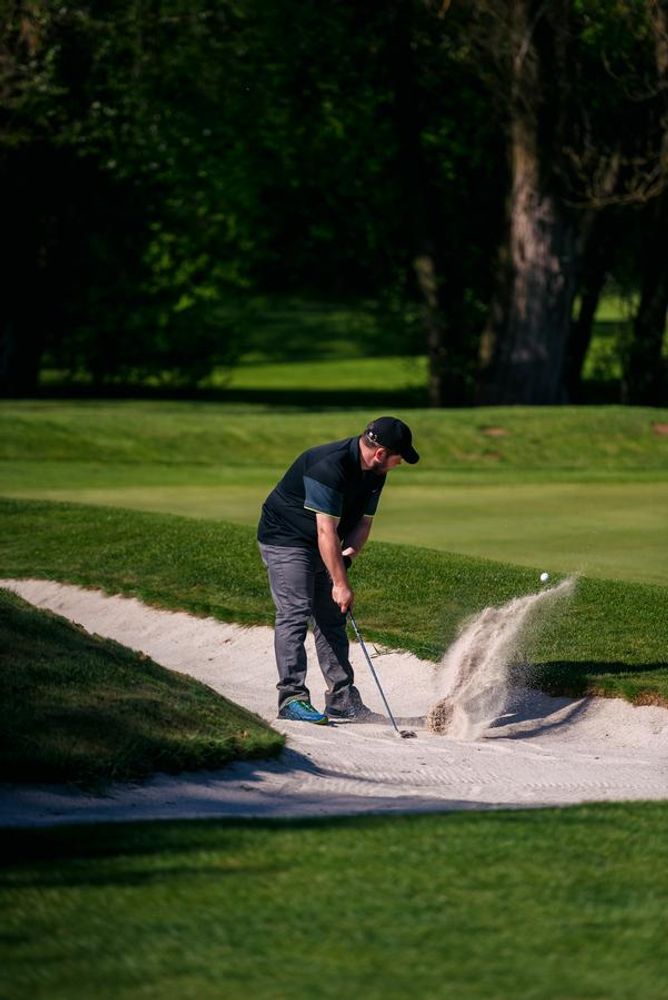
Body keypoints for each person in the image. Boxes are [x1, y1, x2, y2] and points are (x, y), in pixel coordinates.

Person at [257, 416, 420, 725]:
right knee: (295, 611)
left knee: (332, 617)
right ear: (380, 453)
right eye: (398, 457)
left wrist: (348, 556)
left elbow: (363, 523)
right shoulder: (329, 466)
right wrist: (340, 583)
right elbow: (325, 531)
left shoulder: (376, 472)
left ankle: (342, 700)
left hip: (323, 541)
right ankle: (291, 698)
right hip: (286, 537)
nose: (399, 463)